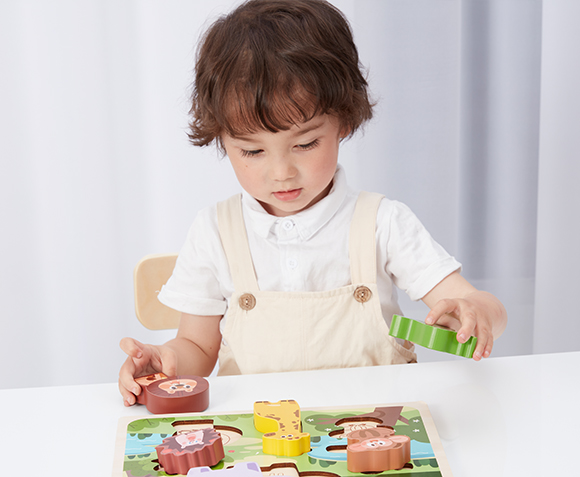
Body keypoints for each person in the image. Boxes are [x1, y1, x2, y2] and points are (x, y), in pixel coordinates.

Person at [118, 0, 507, 406]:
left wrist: (476, 312)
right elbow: (197, 348)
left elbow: (489, 308)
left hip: (377, 426)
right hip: (260, 433)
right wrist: (164, 362)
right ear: (221, 139)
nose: (281, 172)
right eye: (252, 151)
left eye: (305, 144)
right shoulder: (215, 231)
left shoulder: (381, 222)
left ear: (344, 121)